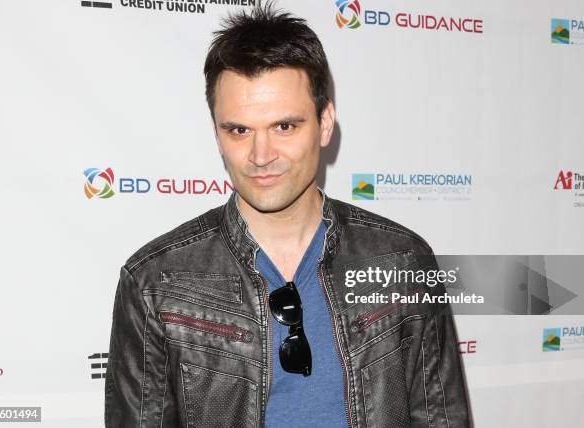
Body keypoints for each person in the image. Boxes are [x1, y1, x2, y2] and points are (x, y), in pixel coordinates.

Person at [104, 2, 470, 427]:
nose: (261, 156)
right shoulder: (155, 281)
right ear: (217, 134)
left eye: (284, 127)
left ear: (325, 122)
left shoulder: (401, 260)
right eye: (239, 130)